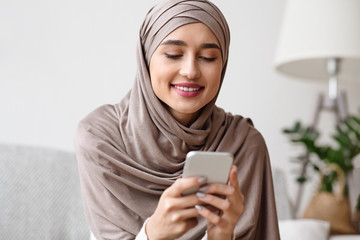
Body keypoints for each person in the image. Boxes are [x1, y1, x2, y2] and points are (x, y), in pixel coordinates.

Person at [75, 0, 280, 239]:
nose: (190, 71)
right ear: (146, 59)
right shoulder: (99, 138)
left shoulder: (244, 145)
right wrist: (153, 234)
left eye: (208, 57)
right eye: (173, 54)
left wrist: (222, 235)